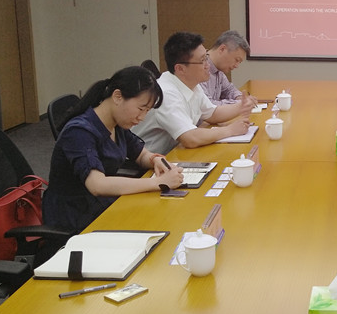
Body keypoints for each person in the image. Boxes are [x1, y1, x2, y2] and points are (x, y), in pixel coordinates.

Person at [43, 66, 184, 234]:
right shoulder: (79, 131)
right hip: (76, 217)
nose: (142, 117)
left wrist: (155, 159)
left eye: (147, 111)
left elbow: (141, 155)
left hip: (100, 204)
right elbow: (97, 185)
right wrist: (157, 183)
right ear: (118, 96)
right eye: (141, 109)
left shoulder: (116, 123)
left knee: (165, 216)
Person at [132, 32, 254, 154]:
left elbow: (213, 114)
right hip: (148, 161)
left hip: (172, 153)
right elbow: (190, 138)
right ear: (180, 69)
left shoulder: (192, 85)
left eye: (206, 58)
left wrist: (241, 106)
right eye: (202, 60)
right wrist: (230, 130)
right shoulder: (166, 93)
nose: (208, 65)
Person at [200, 30, 259, 106]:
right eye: (236, 60)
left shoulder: (219, 71)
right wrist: (240, 103)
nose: (236, 66)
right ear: (222, 49)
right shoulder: (199, 67)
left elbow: (229, 89)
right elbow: (207, 106)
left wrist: (240, 97)